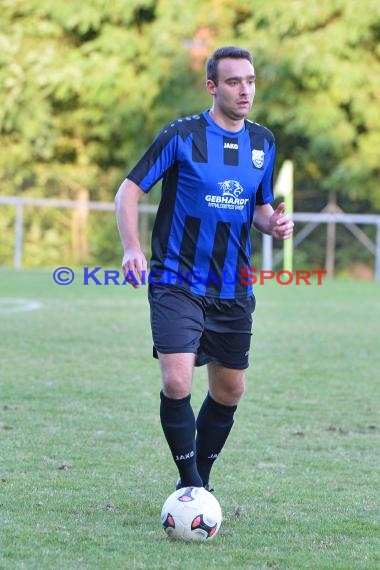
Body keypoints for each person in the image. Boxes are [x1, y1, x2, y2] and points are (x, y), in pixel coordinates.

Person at [115, 46, 294, 491]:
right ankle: (192, 485)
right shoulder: (181, 135)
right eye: (234, 81)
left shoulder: (263, 142)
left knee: (230, 391)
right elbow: (128, 191)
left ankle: (200, 481)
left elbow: (258, 206)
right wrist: (132, 249)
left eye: (250, 81)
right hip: (177, 279)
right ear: (212, 87)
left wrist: (274, 223)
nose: (245, 90)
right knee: (177, 381)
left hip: (233, 287)